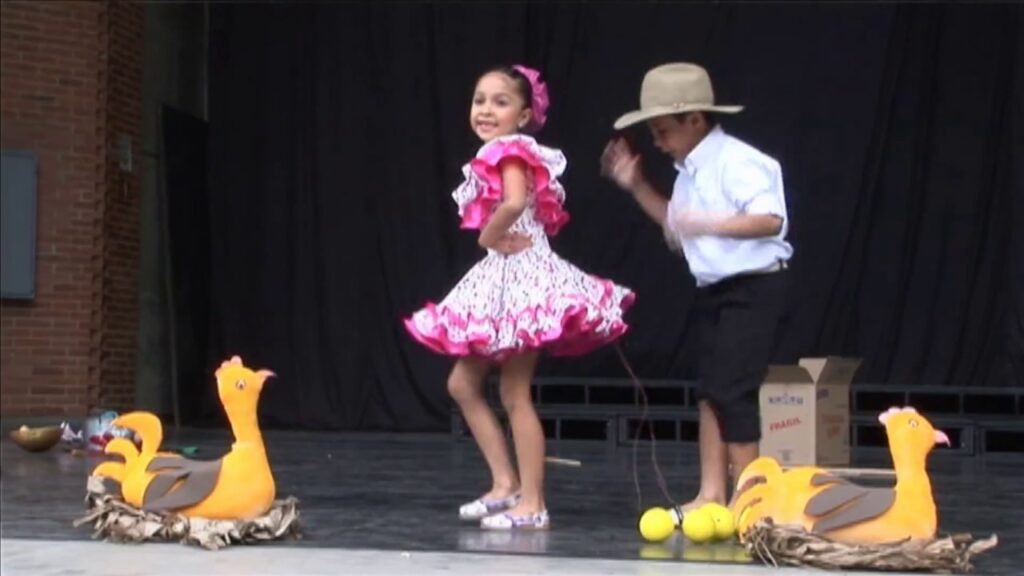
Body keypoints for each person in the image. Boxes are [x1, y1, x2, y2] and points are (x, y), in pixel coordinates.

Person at [404, 64, 634, 530]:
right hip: (504, 275)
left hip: (523, 277)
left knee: (513, 391)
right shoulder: (502, 149)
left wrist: (488, 237)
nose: (486, 109)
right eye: (479, 99)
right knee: (462, 385)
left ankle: (533, 503)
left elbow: (511, 203)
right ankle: (505, 483)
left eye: (500, 101)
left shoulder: (510, 151)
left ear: (525, 114)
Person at [601, 62, 792, 512]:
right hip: (714, 289)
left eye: (664, 131)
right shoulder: (689, 171)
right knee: (709, 391)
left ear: (696, 120)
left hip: (754, 288)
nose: (659, 141)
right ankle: (711, 495)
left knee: (733, 392)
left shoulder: (739, 161)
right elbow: (677, 228)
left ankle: (752, 506)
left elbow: (770, 220)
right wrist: (636, 187)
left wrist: (706, 222)